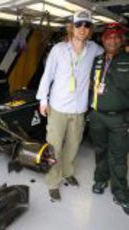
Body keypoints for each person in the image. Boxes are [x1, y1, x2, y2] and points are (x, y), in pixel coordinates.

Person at [36, 10, 103, 201]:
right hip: (58, 108)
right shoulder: (58, 49)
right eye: (79, 24)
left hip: (79, 109)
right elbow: (47, 75)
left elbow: (109, 57)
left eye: (87, 25)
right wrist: (43, 99)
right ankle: (52, 181)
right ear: (72, 27)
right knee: (54, 147)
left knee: (73, 146)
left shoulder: (95, 49)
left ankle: (66, 172)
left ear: (90, 30)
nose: (83, 28)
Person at [89, 22, 129, 215]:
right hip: (97, 116)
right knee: (100, 151)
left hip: (120, 119)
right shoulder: (97, 60)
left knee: (119, 157)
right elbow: (92, 83)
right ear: (103, 40)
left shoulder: (128, 60)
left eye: (116, 37)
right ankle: (100, 179)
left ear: (121, 40)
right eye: (108, 37)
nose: (112, 40)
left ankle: (120, 193)